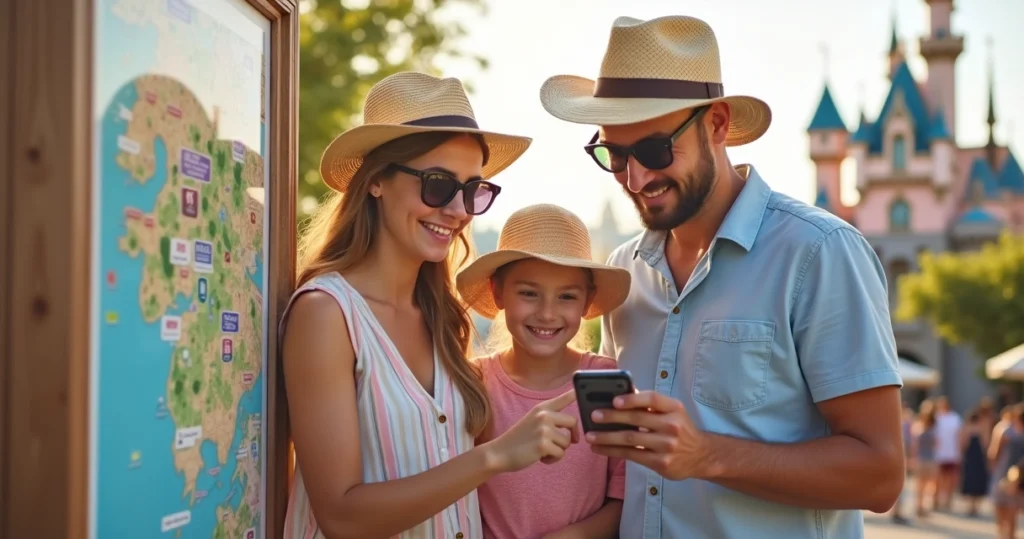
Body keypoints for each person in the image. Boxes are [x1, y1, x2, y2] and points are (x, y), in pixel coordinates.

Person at [538, 15, 906, 537]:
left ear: (717, 124)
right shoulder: (623, 271)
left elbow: (881, 476)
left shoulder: (819, 252)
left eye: (653, 151)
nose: (635, 178)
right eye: (614, 155)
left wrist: (706, 455)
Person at [280, 72, 581, 539]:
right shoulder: (326, 315)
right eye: (438, 184)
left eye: (472, 190)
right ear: (377, 181)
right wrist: (496, 456)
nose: (459, 210)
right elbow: (340, 516)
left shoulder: (444, 317)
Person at [456, 203, 631, 539]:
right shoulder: (472, 383)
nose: (547, 313)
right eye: (529, 293)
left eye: (566, 296)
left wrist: (575, 536)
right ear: (497, 291)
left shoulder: (605, 382)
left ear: (587, 300)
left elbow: (625, 494)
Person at [989, 404, 1024, 539]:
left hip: (1003, 471)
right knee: (1012, 509)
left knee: (1001, 506)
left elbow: (993, 453)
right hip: (1019, 476)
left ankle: (1002, 534)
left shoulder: (1005, 430)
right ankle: (1010, 535)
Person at [932, 396, 963, 511]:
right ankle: (935, 501)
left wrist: (959, 452)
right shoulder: (936, 417)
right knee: (937, 479)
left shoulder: (955, 418)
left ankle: (948, 502)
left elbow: (959, 436)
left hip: (951, 453)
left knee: (950, 479)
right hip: (938, 454)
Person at [959, 408, 991, 516]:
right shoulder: (982, 429)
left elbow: (963, 444)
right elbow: (985, 445)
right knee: (978, 480)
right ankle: (976, 506)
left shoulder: (966, 428)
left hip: (970, 458)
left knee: (970, 479)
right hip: (978, 458)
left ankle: (971, 506)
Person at [911, 400, 939, 517]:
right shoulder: (920, 425)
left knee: (928, 485)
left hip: (927, 459)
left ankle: (923, 506)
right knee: (922, 485)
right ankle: (920, 506)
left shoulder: (923, 426)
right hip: (925, 459)